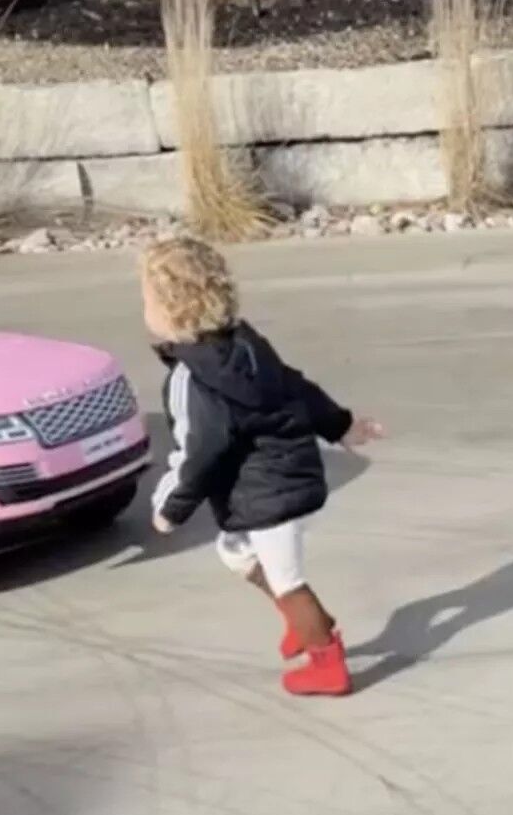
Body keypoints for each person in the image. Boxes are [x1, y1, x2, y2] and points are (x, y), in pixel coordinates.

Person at [139, 237, 383, 696]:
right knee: (234, 552)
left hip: (267, 492)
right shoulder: (247, 345)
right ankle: (302, 621)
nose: (144, 310)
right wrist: (341, 426)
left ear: (173, 311)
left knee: (287, 580)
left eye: (147, 300)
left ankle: (327, 661)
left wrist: (171, 507)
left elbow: (198, 450)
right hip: (290, 475)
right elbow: (297, 387)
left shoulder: (191, 378)